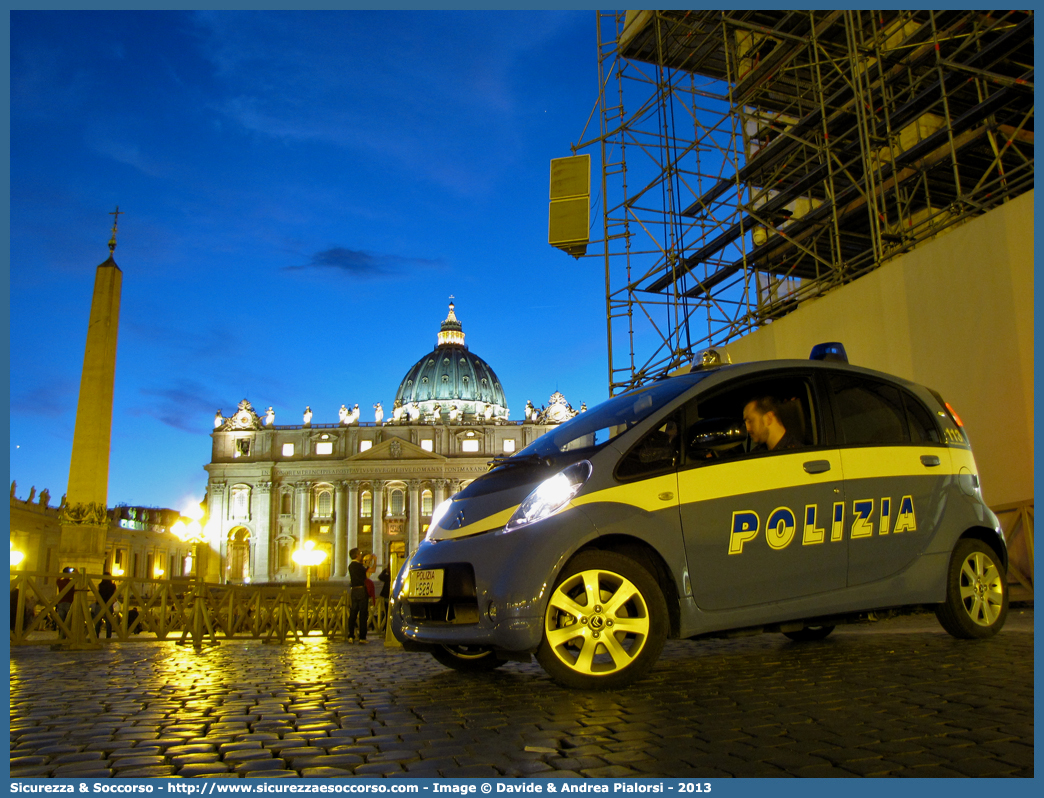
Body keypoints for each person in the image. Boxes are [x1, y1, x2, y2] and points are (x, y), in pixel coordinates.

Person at [347, 548, 369, 644]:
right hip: (361, 590)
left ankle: (351, 636)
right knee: (363, 614)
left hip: (354, 591)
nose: (361, 555)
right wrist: (372, 561)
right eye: (360, 554)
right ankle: (362, 637)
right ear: (356, 555)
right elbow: (368, 571)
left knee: (353, 614)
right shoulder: (359, 565)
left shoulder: (351, 566)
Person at [94, 570, 117, 639]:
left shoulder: (100, 585)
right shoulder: (113, 586)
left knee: (97, 621)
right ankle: (108, 636)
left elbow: (97, 594)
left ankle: (96, 635)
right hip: (108, 604)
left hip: (100, 604)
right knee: (108, 621)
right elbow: (114, 595)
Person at [55, 567, 76, 637]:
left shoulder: (60, 582)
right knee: (69, 621)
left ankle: (61, 636)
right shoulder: (72, 582)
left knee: (61, 621)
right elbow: (79, 579)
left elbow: (57, 578)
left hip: (61, 602)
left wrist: (63, 573)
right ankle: (69, 636)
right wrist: (76, 571)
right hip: (69, 602)